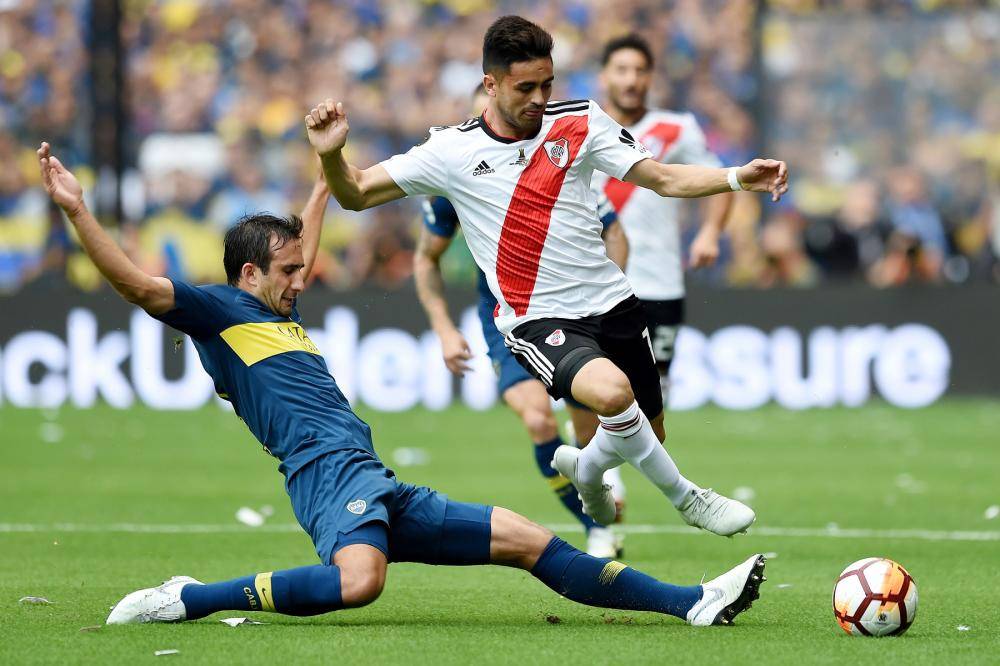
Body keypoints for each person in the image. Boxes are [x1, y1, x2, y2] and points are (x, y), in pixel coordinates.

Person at [36, 141, 766, 627]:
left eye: (300, 269)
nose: (302, 280)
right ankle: (189, 599)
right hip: (325, 478)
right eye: (287, 272)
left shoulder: (276, 307)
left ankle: (694, 602)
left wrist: (326, 163)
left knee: (528, 539)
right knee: (361, 582)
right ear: (248, 274)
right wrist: (76, 209)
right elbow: (137, 285)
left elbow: (306, 238)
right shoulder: (218, 311)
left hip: (372, 475)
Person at [308, 15, 787, 533]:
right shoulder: (451, 151)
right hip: (537, 317)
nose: (539, 98)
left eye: (547, 84)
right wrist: (332, 155)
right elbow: (356, 193)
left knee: (649, 433)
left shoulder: (581, 121)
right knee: (613, 395)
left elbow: (664, 178)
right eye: (525, 88)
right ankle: (689, 499)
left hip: (612, 300)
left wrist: (737, 178)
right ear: (491, 84)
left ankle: (587, 468)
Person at [415, 87, 629, 559]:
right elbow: (426, 258)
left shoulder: (557, 165)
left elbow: (614, 230)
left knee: (587, 428)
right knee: (536, 418)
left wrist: (607, 299)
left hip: (569, 310)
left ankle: (599, 479)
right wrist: (444, 328)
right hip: (505, 317)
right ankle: (595, 527)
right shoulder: (457, 172)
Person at [593, 34, 734, 404]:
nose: (631, 79)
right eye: (621, 70)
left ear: (650, 78)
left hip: (659, 281)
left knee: (653, 396)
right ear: (603, 76)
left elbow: (719, 180)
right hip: (595, 284)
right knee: (597, 393)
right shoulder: (582, 128)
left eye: (640, 71)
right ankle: (592, 446)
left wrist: (709, 232)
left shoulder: (677, 128)